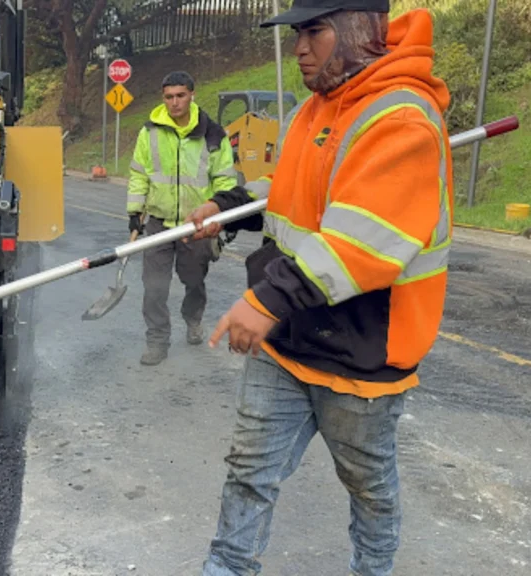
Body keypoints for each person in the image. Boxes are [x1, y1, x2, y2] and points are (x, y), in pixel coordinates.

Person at [186, 1, 454, 574]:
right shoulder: (316, 109)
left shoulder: (400, 118)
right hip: (287, 344)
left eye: (314, 31)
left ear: (358, 29)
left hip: (362, 356)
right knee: (248, 473)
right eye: (296, 33)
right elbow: (291, 193)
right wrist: (230, 207)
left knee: (369, 489)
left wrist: (265, 300)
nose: (300, 47)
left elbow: (361, 243)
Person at [127, 70, 239, 366]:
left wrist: (221, 216)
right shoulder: (149, 131)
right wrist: (134, 213)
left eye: (180, 96)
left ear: (192, 94)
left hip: (196, 227)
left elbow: (225, 181)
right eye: (169, 97)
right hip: (158, 224)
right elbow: (140, 174)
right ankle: (157, 341)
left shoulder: (213, 134)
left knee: (193, 280)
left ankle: (193, 317)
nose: (174, 102)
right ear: (162, 98)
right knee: (154, 287)